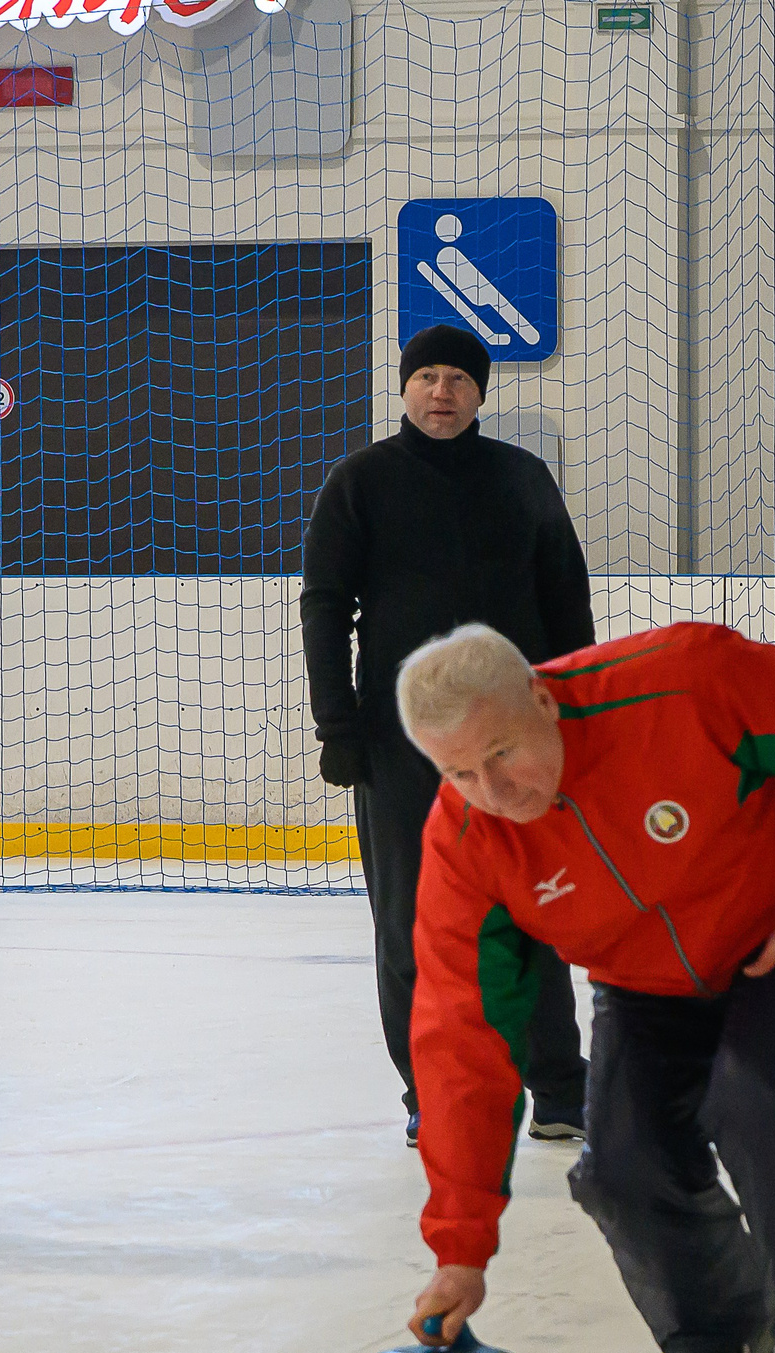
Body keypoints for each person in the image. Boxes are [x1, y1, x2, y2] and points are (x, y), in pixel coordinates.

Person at [399, 620, 775, 1353]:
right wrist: (460, 1248)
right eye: (457, 773)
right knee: (621, 1161)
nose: (493, 791)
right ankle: (723, 1328)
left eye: (502, 753)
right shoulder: (466, 844)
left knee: (761, 1099)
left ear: (544, 701)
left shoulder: (685, 682)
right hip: (644, 979)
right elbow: (461, 1044)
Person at [300, 324, 593, 1149]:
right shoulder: (360, 483)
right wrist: (339, 724)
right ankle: (435, 1093)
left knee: (534, 906)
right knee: (411, 921)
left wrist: (576, 711)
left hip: (519, 740)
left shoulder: (523, 479)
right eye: (426, 376)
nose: (441, 392)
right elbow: (326, 605)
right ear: (404, 387)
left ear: (480, 393)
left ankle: (561, 1085)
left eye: (457, 379)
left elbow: (567, 602)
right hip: (403, 747)